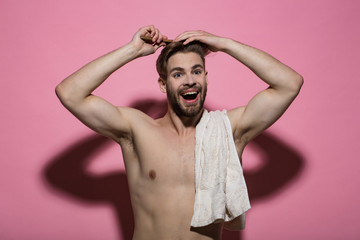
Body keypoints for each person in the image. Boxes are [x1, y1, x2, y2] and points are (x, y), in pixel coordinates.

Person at [55, 25, 303, 240]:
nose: (190, 80)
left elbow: (289, 84)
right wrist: (132, 50)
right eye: (177, 74)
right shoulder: (137, 131)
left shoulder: (229, 130)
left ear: (205, 78)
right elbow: (70, 93)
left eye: (196, 71)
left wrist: (224, 45)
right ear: (163, 85)